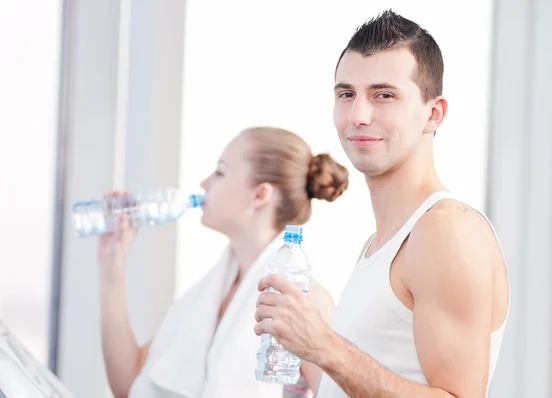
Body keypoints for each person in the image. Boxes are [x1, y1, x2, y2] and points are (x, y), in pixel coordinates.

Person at [254, 10, 510, 398]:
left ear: (433, 113)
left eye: (384, 95)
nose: (358, 115)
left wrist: (324, 345)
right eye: (346, 95)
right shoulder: (380, 244)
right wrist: (308, 360)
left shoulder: (446, 231)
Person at [97, 127, 350, 398]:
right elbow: (129, 385)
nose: (204, 183)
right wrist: (112, 266)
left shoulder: (303, 300)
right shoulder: (208, 295)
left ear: (260, 195)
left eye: (220, 172)